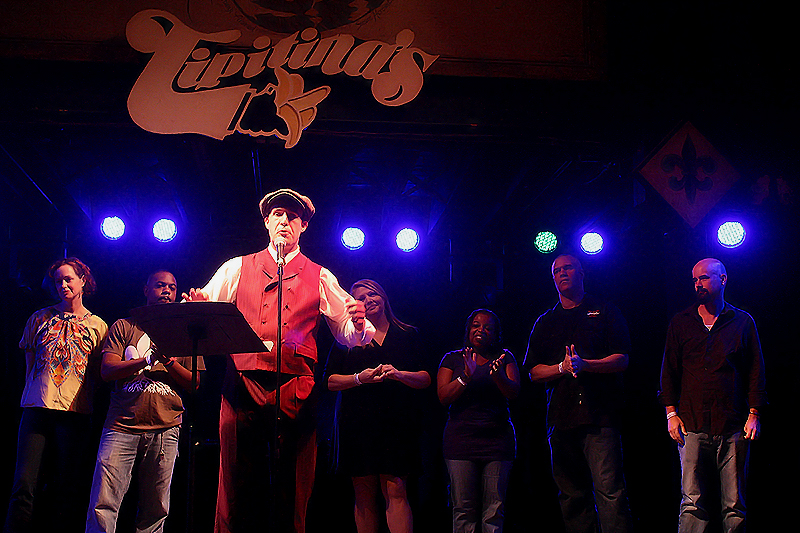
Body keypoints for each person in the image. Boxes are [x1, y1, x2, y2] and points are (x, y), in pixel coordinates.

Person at [182, 188, 374, 533]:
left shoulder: (320, 274)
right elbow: (206, 307)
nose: (284, 221)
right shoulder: (238, 267)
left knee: (295, 482)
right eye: (277, 215)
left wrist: (358, 325)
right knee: (235, 479)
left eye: (292, 216)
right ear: (267, 222)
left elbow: (347, 330)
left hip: (296, 387)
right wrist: (198, 305)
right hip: (243, 383)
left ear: (303, 226)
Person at [85, 270, 204, 533]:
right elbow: (107, 370)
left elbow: (195, 382)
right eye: (160, 285)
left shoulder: (184, 333)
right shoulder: (124, 326)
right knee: (103, 503)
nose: (166, 291)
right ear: (146, 290)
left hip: (166, 428)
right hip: (121, 425)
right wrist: (146, 360)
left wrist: (168, 361)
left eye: (172, 287)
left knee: (156, 508)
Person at [523, 254, 633, 533]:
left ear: (581, 273)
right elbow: (533, 372)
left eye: (568, 268)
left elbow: (622, 358)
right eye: (556, 271)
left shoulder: (604, 310)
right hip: (561, 420)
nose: (562, 273)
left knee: (609, 491)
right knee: (572, 495)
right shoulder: (545, 321)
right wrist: (561, 368)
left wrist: (586, 365)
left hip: (600, 417)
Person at [658, 258, 767, 532]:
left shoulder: (742, 322)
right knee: (692, 502)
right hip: (691, 423)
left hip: (732, 423)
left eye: (704, 278)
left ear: (723, 279)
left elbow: (755, 370)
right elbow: (669, 370)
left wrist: (755, 413)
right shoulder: (682, 322)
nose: (698, 284)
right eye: (695, 279)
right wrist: (671, 414)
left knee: (734, 504)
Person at [5, 257, 108, 533]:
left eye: (68, 279)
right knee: (24, 483)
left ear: (83, 280)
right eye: (58, 281)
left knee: (66, 485)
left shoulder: (97, 325)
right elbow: (29, 365)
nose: (63, 285)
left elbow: (98, 373)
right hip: (36, 409)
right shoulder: (39, 318)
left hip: (74, 413)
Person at [325, 279, 430, 533]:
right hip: (357, 423)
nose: (368, 300)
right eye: (360, 298)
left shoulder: (407, 334)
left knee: (396, 488)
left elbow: (426, 378)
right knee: (363, 492)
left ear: (383, 297)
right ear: (353, 307)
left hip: (397, 423)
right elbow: (329, 381)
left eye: (372, 294)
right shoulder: (347, 339)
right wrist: (359, 379)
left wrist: (399, 375)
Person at [437, 309, 520, 533]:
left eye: (487, 327)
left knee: (494, 509)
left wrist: (498, 377)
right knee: (463, 509)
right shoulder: (453, 359)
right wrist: (465, 376)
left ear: (496, 334)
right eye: (476, 325)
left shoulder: (504, 358)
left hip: (497, 441)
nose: (480, 330)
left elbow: (514, 393)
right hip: (460, 442)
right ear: (468, 329)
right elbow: (443, 397)